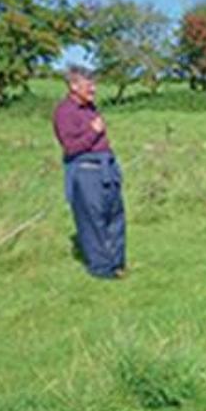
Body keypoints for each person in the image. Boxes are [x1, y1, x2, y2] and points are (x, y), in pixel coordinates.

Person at [52, 65, 126, 279]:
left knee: (115, 216)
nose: (94, 89)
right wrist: (93, 132)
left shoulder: (91, 108)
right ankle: (101, 270)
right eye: (89, 84)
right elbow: (70, 147)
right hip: (86, 171)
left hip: (106, 168)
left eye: (94, 84)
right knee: (93, 221)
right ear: (74, 86)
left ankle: (117, 264)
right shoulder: (64, 112)